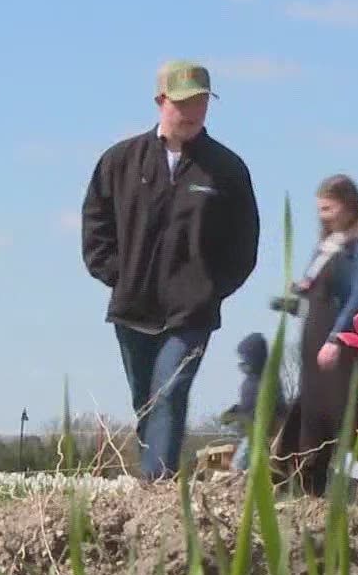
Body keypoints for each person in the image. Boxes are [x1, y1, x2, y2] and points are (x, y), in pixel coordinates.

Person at [81, 60, 259, 481]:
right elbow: (96, 222)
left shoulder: (227, 170)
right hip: (132, 307)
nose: (194, 111)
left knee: (169, 393)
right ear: (161, 101)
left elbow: (244, 242)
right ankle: (156, 487)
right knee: (146, 401)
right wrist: (116, 274)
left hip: (191, 314)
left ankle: (155, 485)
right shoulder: (121, 160)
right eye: (184, 102)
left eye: (201, 102)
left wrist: (210, 289)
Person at [273, 174, 358, 494]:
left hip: (347, 345)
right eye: (320, 209)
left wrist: (337, 336)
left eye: (328, 208)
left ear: (348, 205)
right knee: (313, 414)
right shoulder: (333, 243)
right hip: (316, 340)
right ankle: (305, 482)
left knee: (350, 415)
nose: (323, 215)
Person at [223, 332, 283, 470]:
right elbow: (247, 406)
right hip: (249, 432)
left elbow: (274, 407)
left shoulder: (268, 381)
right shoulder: (250, 381)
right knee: (245, 464)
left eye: (246, 358)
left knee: (238, 465)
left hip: (260, 434)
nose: (243, 362)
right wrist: (234, 411)